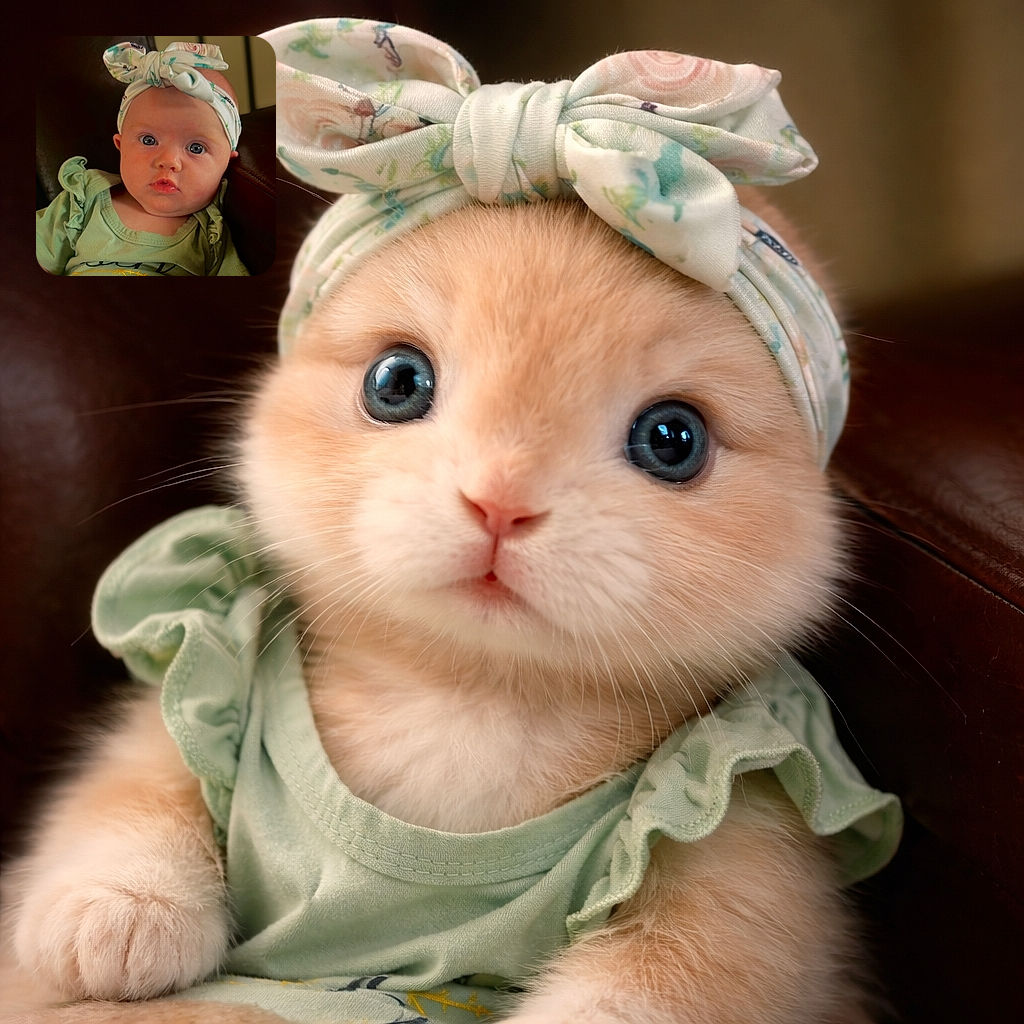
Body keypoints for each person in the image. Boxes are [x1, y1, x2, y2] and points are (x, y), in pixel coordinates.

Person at [36, 41, 249, 276]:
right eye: (149, 140)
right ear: (121, 146)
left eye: (196, 148)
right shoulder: (84, 199)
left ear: (226, 162)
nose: (168, 161)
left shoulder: (211, 234)